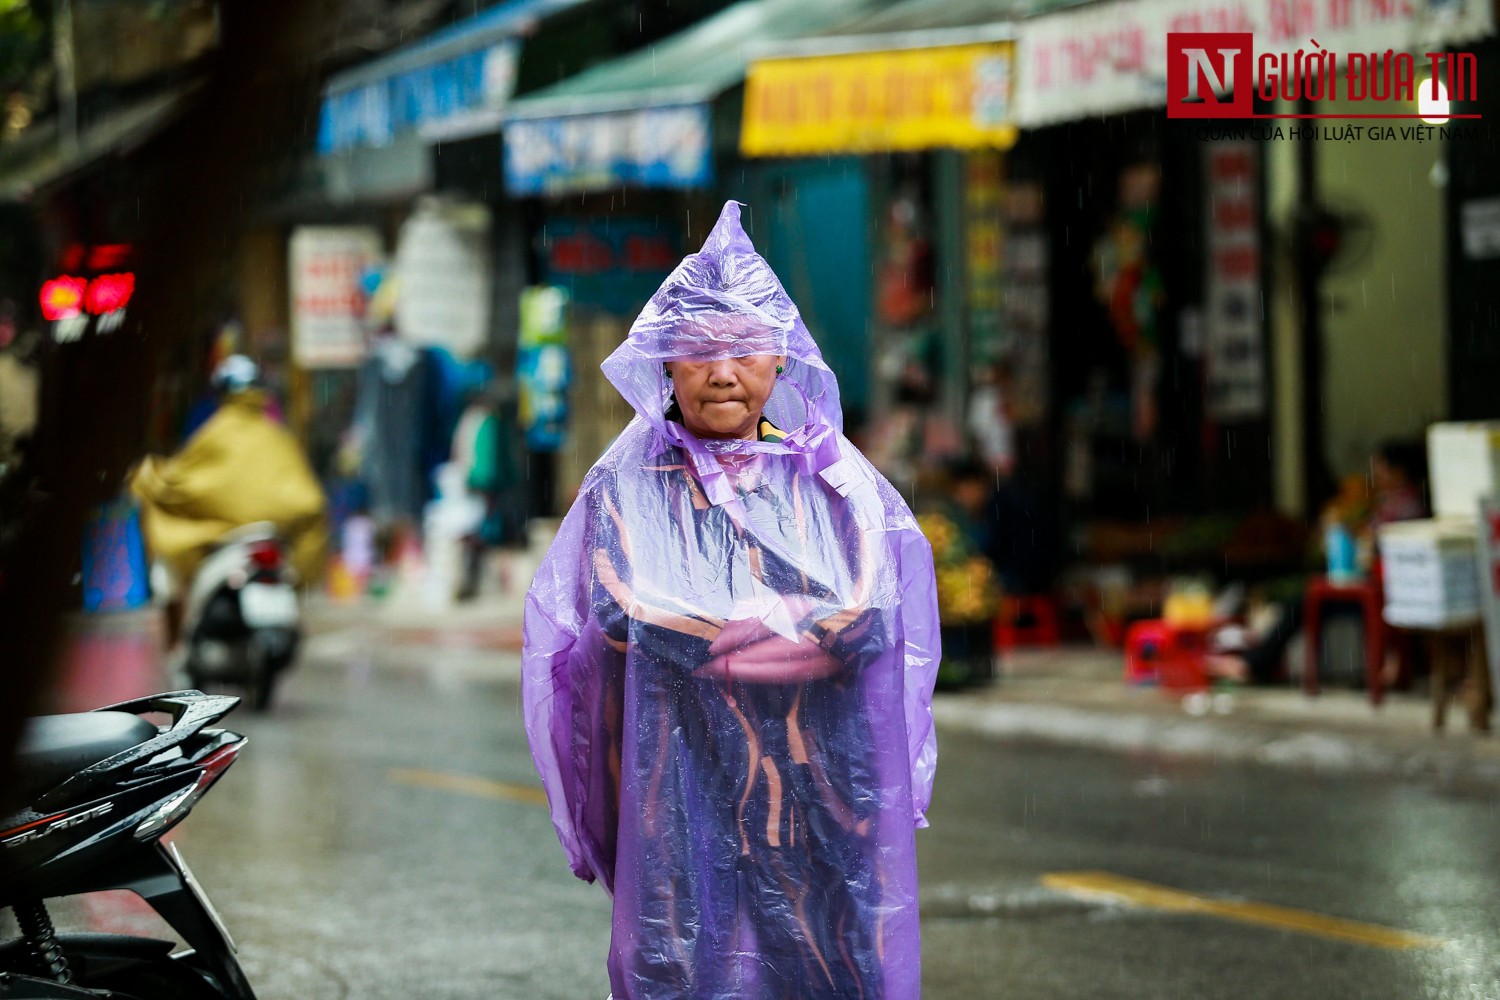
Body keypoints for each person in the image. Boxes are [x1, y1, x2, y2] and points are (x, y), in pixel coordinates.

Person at [521, 202, 941, 1000]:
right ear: (666, 364)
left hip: (825, 779)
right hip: (678, 776)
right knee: (683, 959)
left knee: (830, 957)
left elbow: (873, 616)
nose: (723, 373)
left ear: (780, 361)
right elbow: (616, 615)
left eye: (744, 351)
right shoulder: (626, 484)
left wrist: (722, 638)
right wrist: (780, 636)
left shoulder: (834, 483)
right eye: (700, 351)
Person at [131, 355, 327, 649]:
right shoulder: (276, 435)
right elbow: (307, 497)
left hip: (225, 538)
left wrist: (150, 477)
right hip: (268, 536)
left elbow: (182, 481)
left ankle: (175, 648)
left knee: (167, 576)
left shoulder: (212, 431)